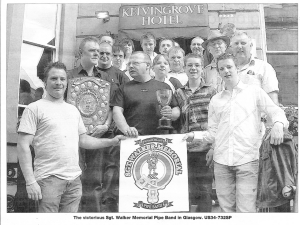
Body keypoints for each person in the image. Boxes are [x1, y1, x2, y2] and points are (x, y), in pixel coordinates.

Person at [183, 53, 289, 213]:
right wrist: (194, 136)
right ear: (218, 73)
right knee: (226, 211)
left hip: (248, 161)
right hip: (221, 163)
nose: (226, 71)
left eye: (229, 67)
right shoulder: (216, 100)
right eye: (221, 68)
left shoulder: (254, 92)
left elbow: (276, 112)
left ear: (236, 68)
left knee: (246, 210)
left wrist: (278, 124)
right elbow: (212, 134)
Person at [17, 62, 125, 213]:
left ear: (67, 83)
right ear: (45, 82)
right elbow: (23, 146)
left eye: (62, 79)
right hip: (48, 180)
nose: (59, 83)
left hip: (74, 181)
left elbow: (83, 140)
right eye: (54, 79)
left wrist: (111, 141)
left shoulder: (73, 110)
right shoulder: (34, 108)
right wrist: (30, 181)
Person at [175, 53, 216, 212]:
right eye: (189, 65)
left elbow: (217, 121)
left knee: (205, 191)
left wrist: (214, 146)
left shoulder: (212, 91)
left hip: (205, 149)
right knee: (187, 192)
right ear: (184, 68)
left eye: (197, 65)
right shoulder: (179, 93)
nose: (193, 68)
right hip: (184, 150)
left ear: (202, 69)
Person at [112, 51, 180, 137]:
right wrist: (126, 129)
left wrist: (170, 113)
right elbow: (116, 112)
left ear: (148, 65)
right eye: (129, 64)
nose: (131, 66)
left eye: (135, 63)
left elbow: (176, 110)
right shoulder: (123, 88)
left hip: (161, 140)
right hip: (133, 140)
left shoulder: (164, 87)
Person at [230, 31, 279, 105]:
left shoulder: (263, 68)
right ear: (231, 48)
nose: (239, 46)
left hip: (257, 116)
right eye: (236, 43)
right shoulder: (225, 70)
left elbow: (273, 102)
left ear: (251, 45)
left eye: (243, 43)